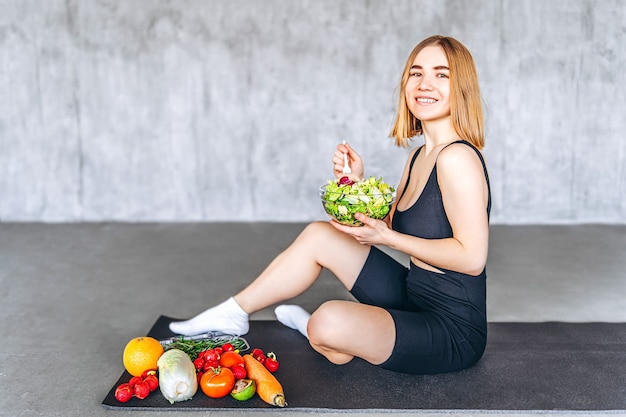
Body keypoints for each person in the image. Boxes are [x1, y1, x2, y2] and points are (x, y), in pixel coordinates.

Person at [169, 35, 491, 375]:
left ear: (462, 87)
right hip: (415, 296)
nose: (425, 84)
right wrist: (355, 182)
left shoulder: (458, 158)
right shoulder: (419, 156)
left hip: (453, 331)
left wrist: (387, 238)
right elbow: (398, 223)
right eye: (416, 73)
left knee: (327, 322)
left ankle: (325, 336)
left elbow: (471, 258)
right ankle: (233, 312)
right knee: (319, 236)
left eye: (442, 74)